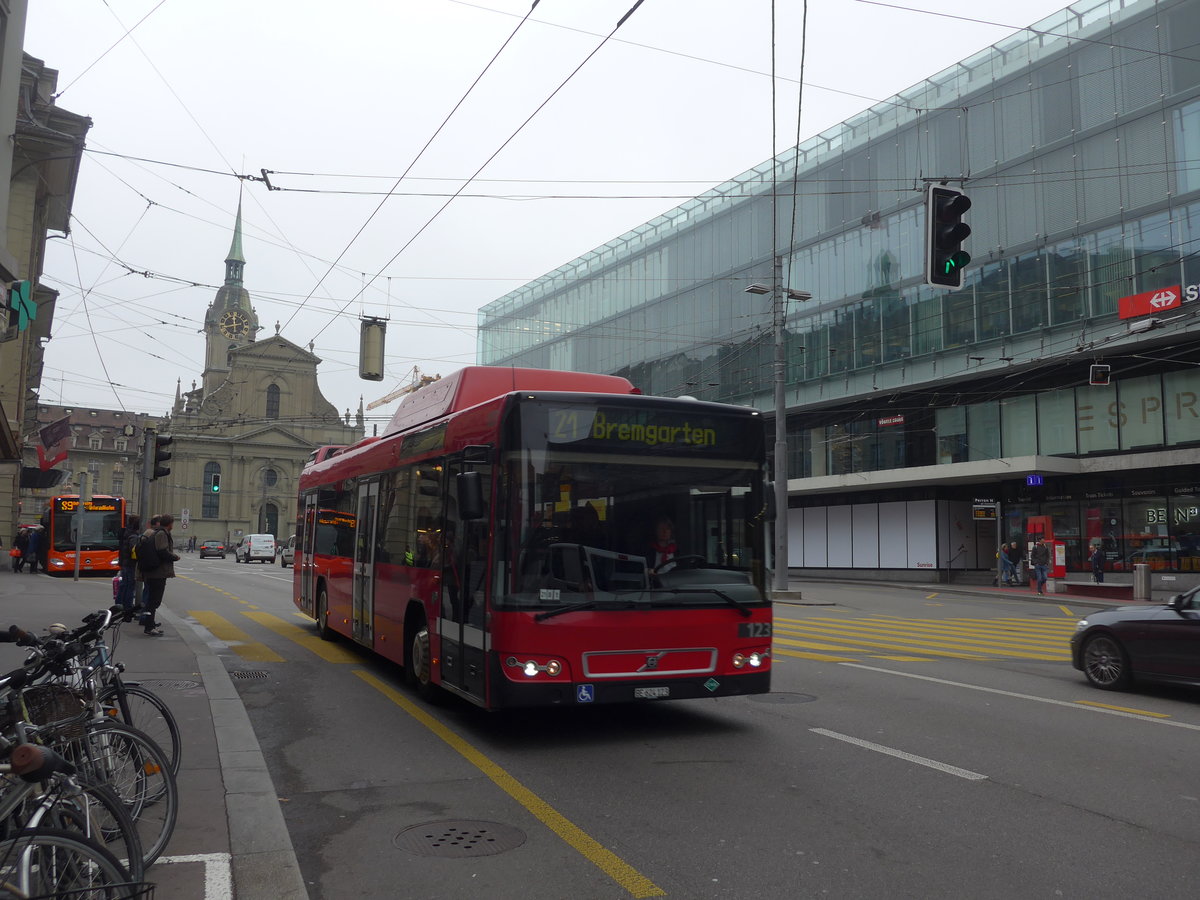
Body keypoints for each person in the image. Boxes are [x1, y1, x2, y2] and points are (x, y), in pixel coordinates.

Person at [139, 514, 179, 636]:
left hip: (156, 572)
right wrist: (174, 557)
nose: (173, 525)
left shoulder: (159, 532)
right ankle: (149, 626)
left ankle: (149, 624)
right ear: (169, 524)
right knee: (154, 601)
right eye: (172, 523)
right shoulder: (162, 534)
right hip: (157, 572)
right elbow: (162, 551)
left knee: (153, 601)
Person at [116, 515, 142, 611]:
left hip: (124, 562)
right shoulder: (133, 535)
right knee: (130, 585)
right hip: (130, 563)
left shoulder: (125, 532)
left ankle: (119, 604)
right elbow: (134, 550)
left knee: (124, 584)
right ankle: (128, 606)